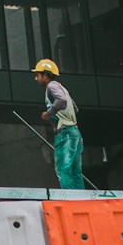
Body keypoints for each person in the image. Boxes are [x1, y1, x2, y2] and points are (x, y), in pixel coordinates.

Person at [32, 58, 84, 189]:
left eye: (37, 75)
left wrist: (48, 113)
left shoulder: (52, 86)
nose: (36, 79)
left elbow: (61, 101)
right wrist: (55, 118)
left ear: (45, 75)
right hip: (75, 133)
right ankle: (81, 199)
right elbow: (74, 109)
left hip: (66, 133)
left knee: (63, 168)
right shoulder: (62, 88)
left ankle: (70, 199)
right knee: (75, 171)